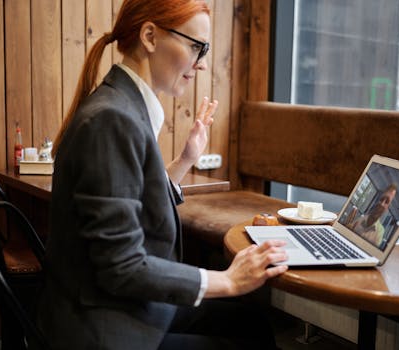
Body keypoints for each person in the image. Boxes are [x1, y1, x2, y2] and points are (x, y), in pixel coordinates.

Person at [33, 1, 288, 349]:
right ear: (150, 36)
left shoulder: (121, 107)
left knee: (252, 323)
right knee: (251, 337)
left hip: (118, 305)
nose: (201, 63)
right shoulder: (113, 120)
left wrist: (184, 160)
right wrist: (228, 280)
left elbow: (129, 200)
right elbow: (121, 266)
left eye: (205, 49)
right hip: (103, 326)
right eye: (196, 46)